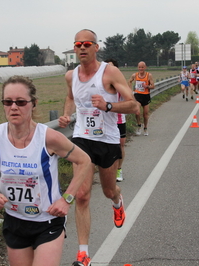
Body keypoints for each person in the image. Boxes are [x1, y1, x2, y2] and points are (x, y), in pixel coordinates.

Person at [0, 75, 91, 266]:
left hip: (47, 220)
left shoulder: (48, 138)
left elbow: (84, 161)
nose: (14, 107)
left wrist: (67, 199)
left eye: (21, 102)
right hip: (15, 220)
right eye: (8, 102)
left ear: (33, 104)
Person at [58, 29, 139, 266]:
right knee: (81, 194)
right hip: (82, 138)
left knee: (107, 190)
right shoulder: (70, 76)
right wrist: (65, 116)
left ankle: (117, 201)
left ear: (96, 47)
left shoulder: (109, 72)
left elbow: (134, 105)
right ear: (74, 48)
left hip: (108, 139)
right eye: (78, 44)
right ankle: (83, 254)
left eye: (87, 44)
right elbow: (71, 98)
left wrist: (108, 106)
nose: (82, 48)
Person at [104, 58, 125, 182]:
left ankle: (118, 170)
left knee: (120, 146)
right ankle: (106, 169)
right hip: (104, 120)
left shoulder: (120, 84)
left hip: (118, 120)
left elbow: (129, 100)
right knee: (105, 146)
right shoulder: (101, 84)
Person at [128, 61, 155, 136]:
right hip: (137, 96)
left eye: (142, 67)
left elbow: (153, 86)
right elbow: (129, 81)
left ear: (145, 67)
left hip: (146, 96)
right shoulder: (135, 75)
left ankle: (145, 128)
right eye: (139, 67)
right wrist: (130, 91)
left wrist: (147, 86)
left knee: (145, 114)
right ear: (138, 67)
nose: (141, 68)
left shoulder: (149, 75)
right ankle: (139, 125)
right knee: (137, 112)